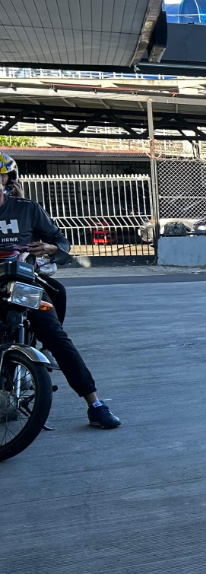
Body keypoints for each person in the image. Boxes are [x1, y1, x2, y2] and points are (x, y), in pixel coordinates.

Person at [0, 154, 121, 429]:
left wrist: (53, 249)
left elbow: (60, 241)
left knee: (57, 338)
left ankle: (95, 404)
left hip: (23, 286)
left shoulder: (27, 209)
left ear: (6, 179)